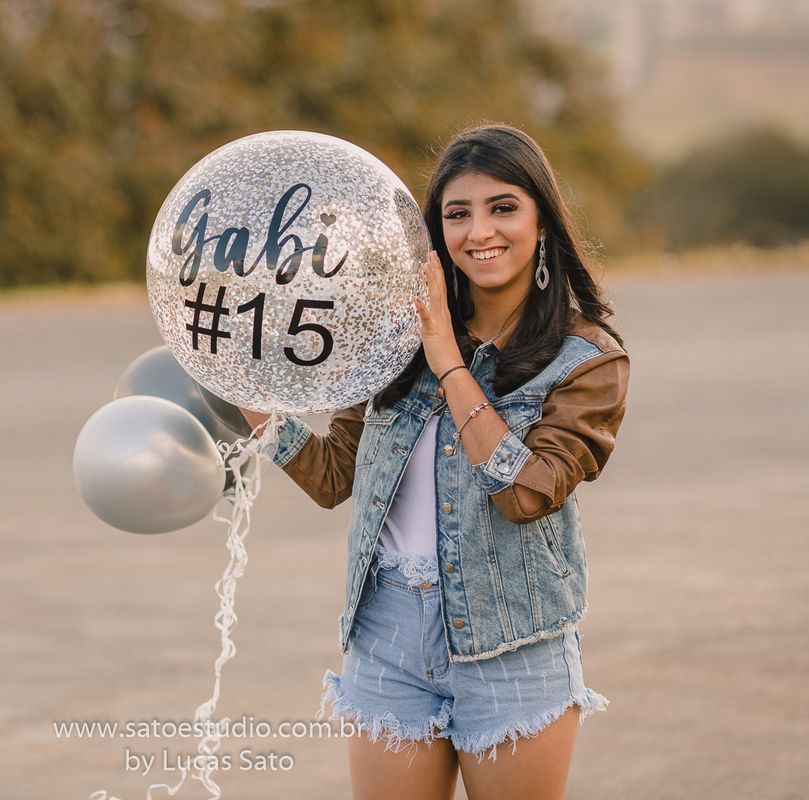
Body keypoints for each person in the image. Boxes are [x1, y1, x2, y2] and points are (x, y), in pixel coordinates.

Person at [240, 124, 629, 800]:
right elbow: (334, 477)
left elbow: (525, 494)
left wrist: (448, 359)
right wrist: (250, 398)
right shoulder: (392, 337)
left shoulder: (587, 360)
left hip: (512, 649)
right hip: (386, 635)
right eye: (457, 213)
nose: (480, 231)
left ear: (541, 220)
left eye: (503, 207)